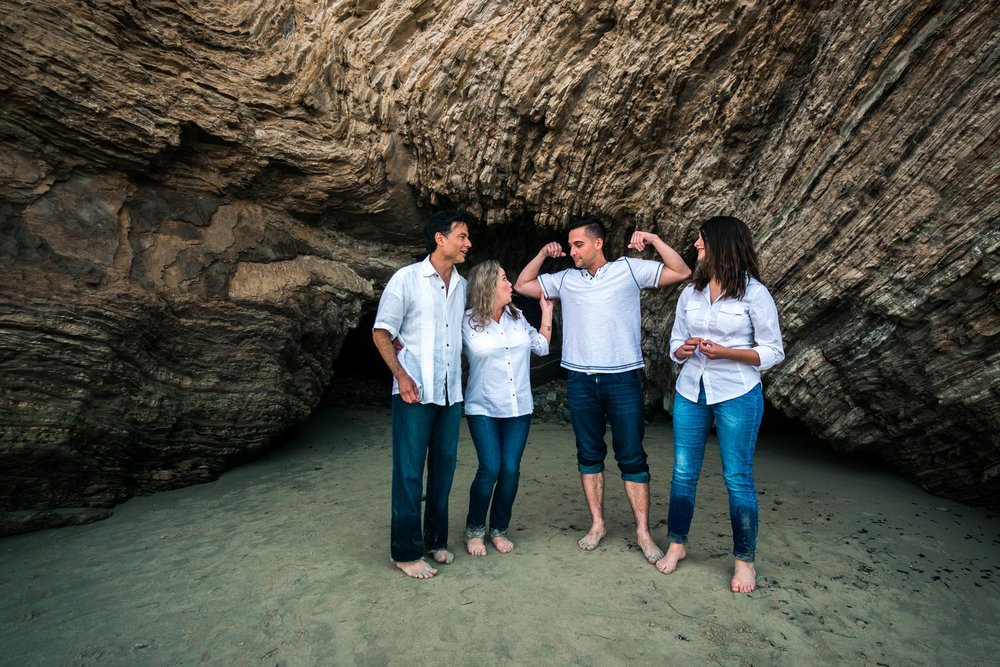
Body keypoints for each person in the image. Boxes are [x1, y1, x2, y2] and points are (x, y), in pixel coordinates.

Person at [514, 216, 691, 564]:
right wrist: (541, 253)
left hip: (622, 377)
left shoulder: (628, 269)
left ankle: (642, 531)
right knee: (589, 453)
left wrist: (653, 239)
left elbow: (681, 271)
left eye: (578, 244)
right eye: (569, 245)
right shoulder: (565, 279)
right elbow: (523, 284)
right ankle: (597, 524)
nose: (571, 251)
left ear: (598, 243)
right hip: (580, 379)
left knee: (632, 456)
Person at [654, 215, 784, 593]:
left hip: (738, 393)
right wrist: (682, 350)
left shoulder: (754, 294)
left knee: (737, 478)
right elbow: (674, 344)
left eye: (700, 240)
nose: (695, 246)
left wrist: (727, 352)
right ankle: (677, 544)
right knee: (682, 473)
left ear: (721, 246)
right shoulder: (690, 293)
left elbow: (773, 350)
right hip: (691, 390)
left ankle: (745, 562)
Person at [372, 209, 473, 579]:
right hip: (414, 393)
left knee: (443, 472)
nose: (468, 243)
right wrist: (402, 376)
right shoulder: (407, 278)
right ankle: (406, 552)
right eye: (462, 236)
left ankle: (435, 541)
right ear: (440, 239)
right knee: (409, 473)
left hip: (450, 394)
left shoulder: (461, 286)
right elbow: (382, 331)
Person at [462, 260, 553, 557]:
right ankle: (475, 529)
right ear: (487, 285)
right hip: (483, 406)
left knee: (510, 470)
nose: (510, 284)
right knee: (490, 467)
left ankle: (499, 529)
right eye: (504, 278)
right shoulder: (466, 323)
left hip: (519, 407)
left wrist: (547, 311)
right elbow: (442, 347)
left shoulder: (518, 317)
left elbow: (540, 347)